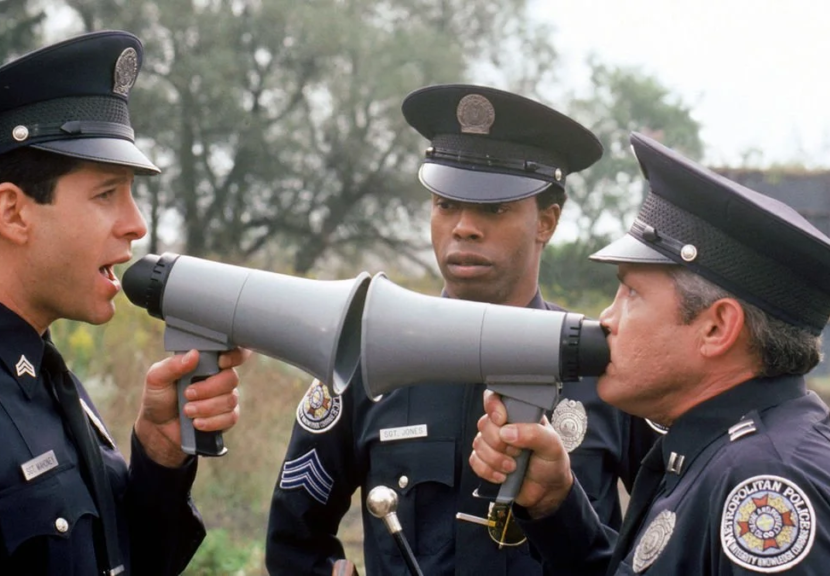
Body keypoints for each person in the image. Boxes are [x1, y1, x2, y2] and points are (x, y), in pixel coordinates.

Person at [0, 31, 245, 575]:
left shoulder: (36, 370)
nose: (136, 224)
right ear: (13, 213)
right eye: (106, 194)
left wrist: (160, 450)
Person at [266, 84, 659, 575]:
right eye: (445, 204)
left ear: (547, 222)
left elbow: (672, 541)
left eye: (494, 209)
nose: (463, 227)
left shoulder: (606, 367)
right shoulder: (366, 359)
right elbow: (293, 541)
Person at [470, 132, 830, 575]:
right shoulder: (723, 451)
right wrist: (556, 505)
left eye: (632, 292)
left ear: (716, 328)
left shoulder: (764, 489)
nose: (607, 318)